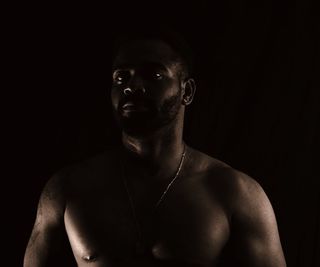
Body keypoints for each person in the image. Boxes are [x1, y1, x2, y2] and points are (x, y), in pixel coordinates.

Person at [23, 25, 286, 267]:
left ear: (187, 92)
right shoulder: (67, 189)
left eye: (153, 75)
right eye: (121, 76)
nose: (131, 86)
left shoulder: (235, 193)